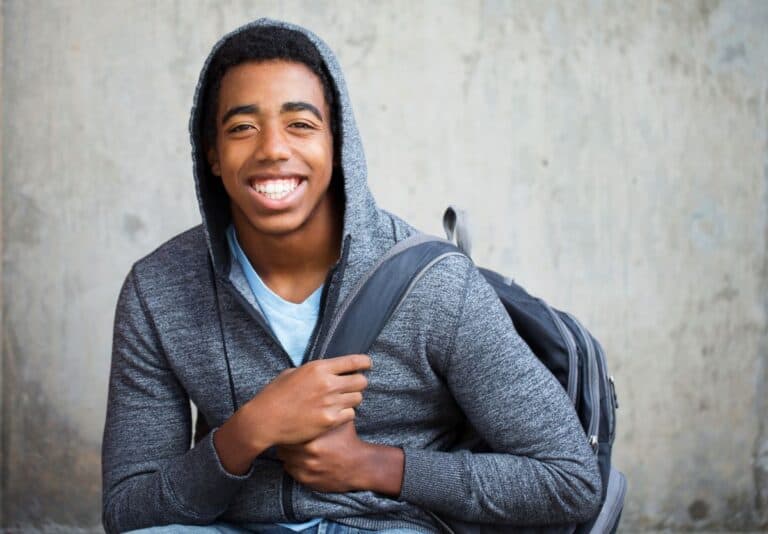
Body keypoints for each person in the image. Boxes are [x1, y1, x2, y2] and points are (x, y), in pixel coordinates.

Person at [101, 18, 601, 534]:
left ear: (338, 144)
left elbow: (569, 481)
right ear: (211, 154)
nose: (272, 148)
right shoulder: (158, 290)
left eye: (300, 124)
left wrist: (378, 465)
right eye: (242, 127)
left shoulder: (436, 287)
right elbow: (129, 510)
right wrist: (245, 433)